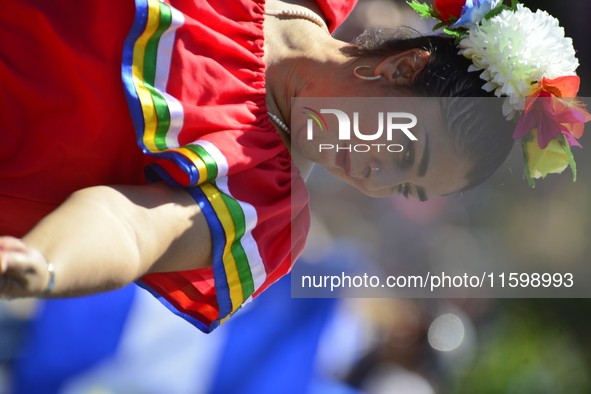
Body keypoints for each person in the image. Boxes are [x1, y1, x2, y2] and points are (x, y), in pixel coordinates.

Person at [0, 0, 584, 333]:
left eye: (405, 185)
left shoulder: (266, 210)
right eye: (403, 151)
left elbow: (130, 228)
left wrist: (44, 263)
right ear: (403, 69)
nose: (374, 180)